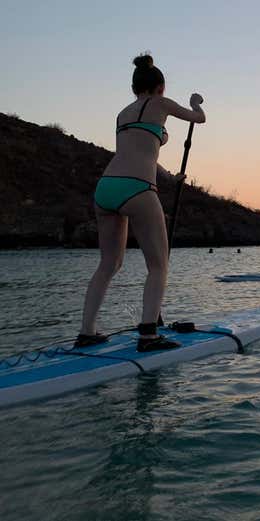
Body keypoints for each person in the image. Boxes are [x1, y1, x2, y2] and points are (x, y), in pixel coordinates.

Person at [76, 54, 206, 351]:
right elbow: (198, 119)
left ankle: (86, 332)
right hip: (138, 188)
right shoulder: (161, 103)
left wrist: (170, 177)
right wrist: (196, 103)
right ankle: (148, 336)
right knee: (159, 266)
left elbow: (137, 152)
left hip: (106, 187)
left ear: (134, 87)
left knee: (109, 263)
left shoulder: (123, 113)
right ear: (160, 87)